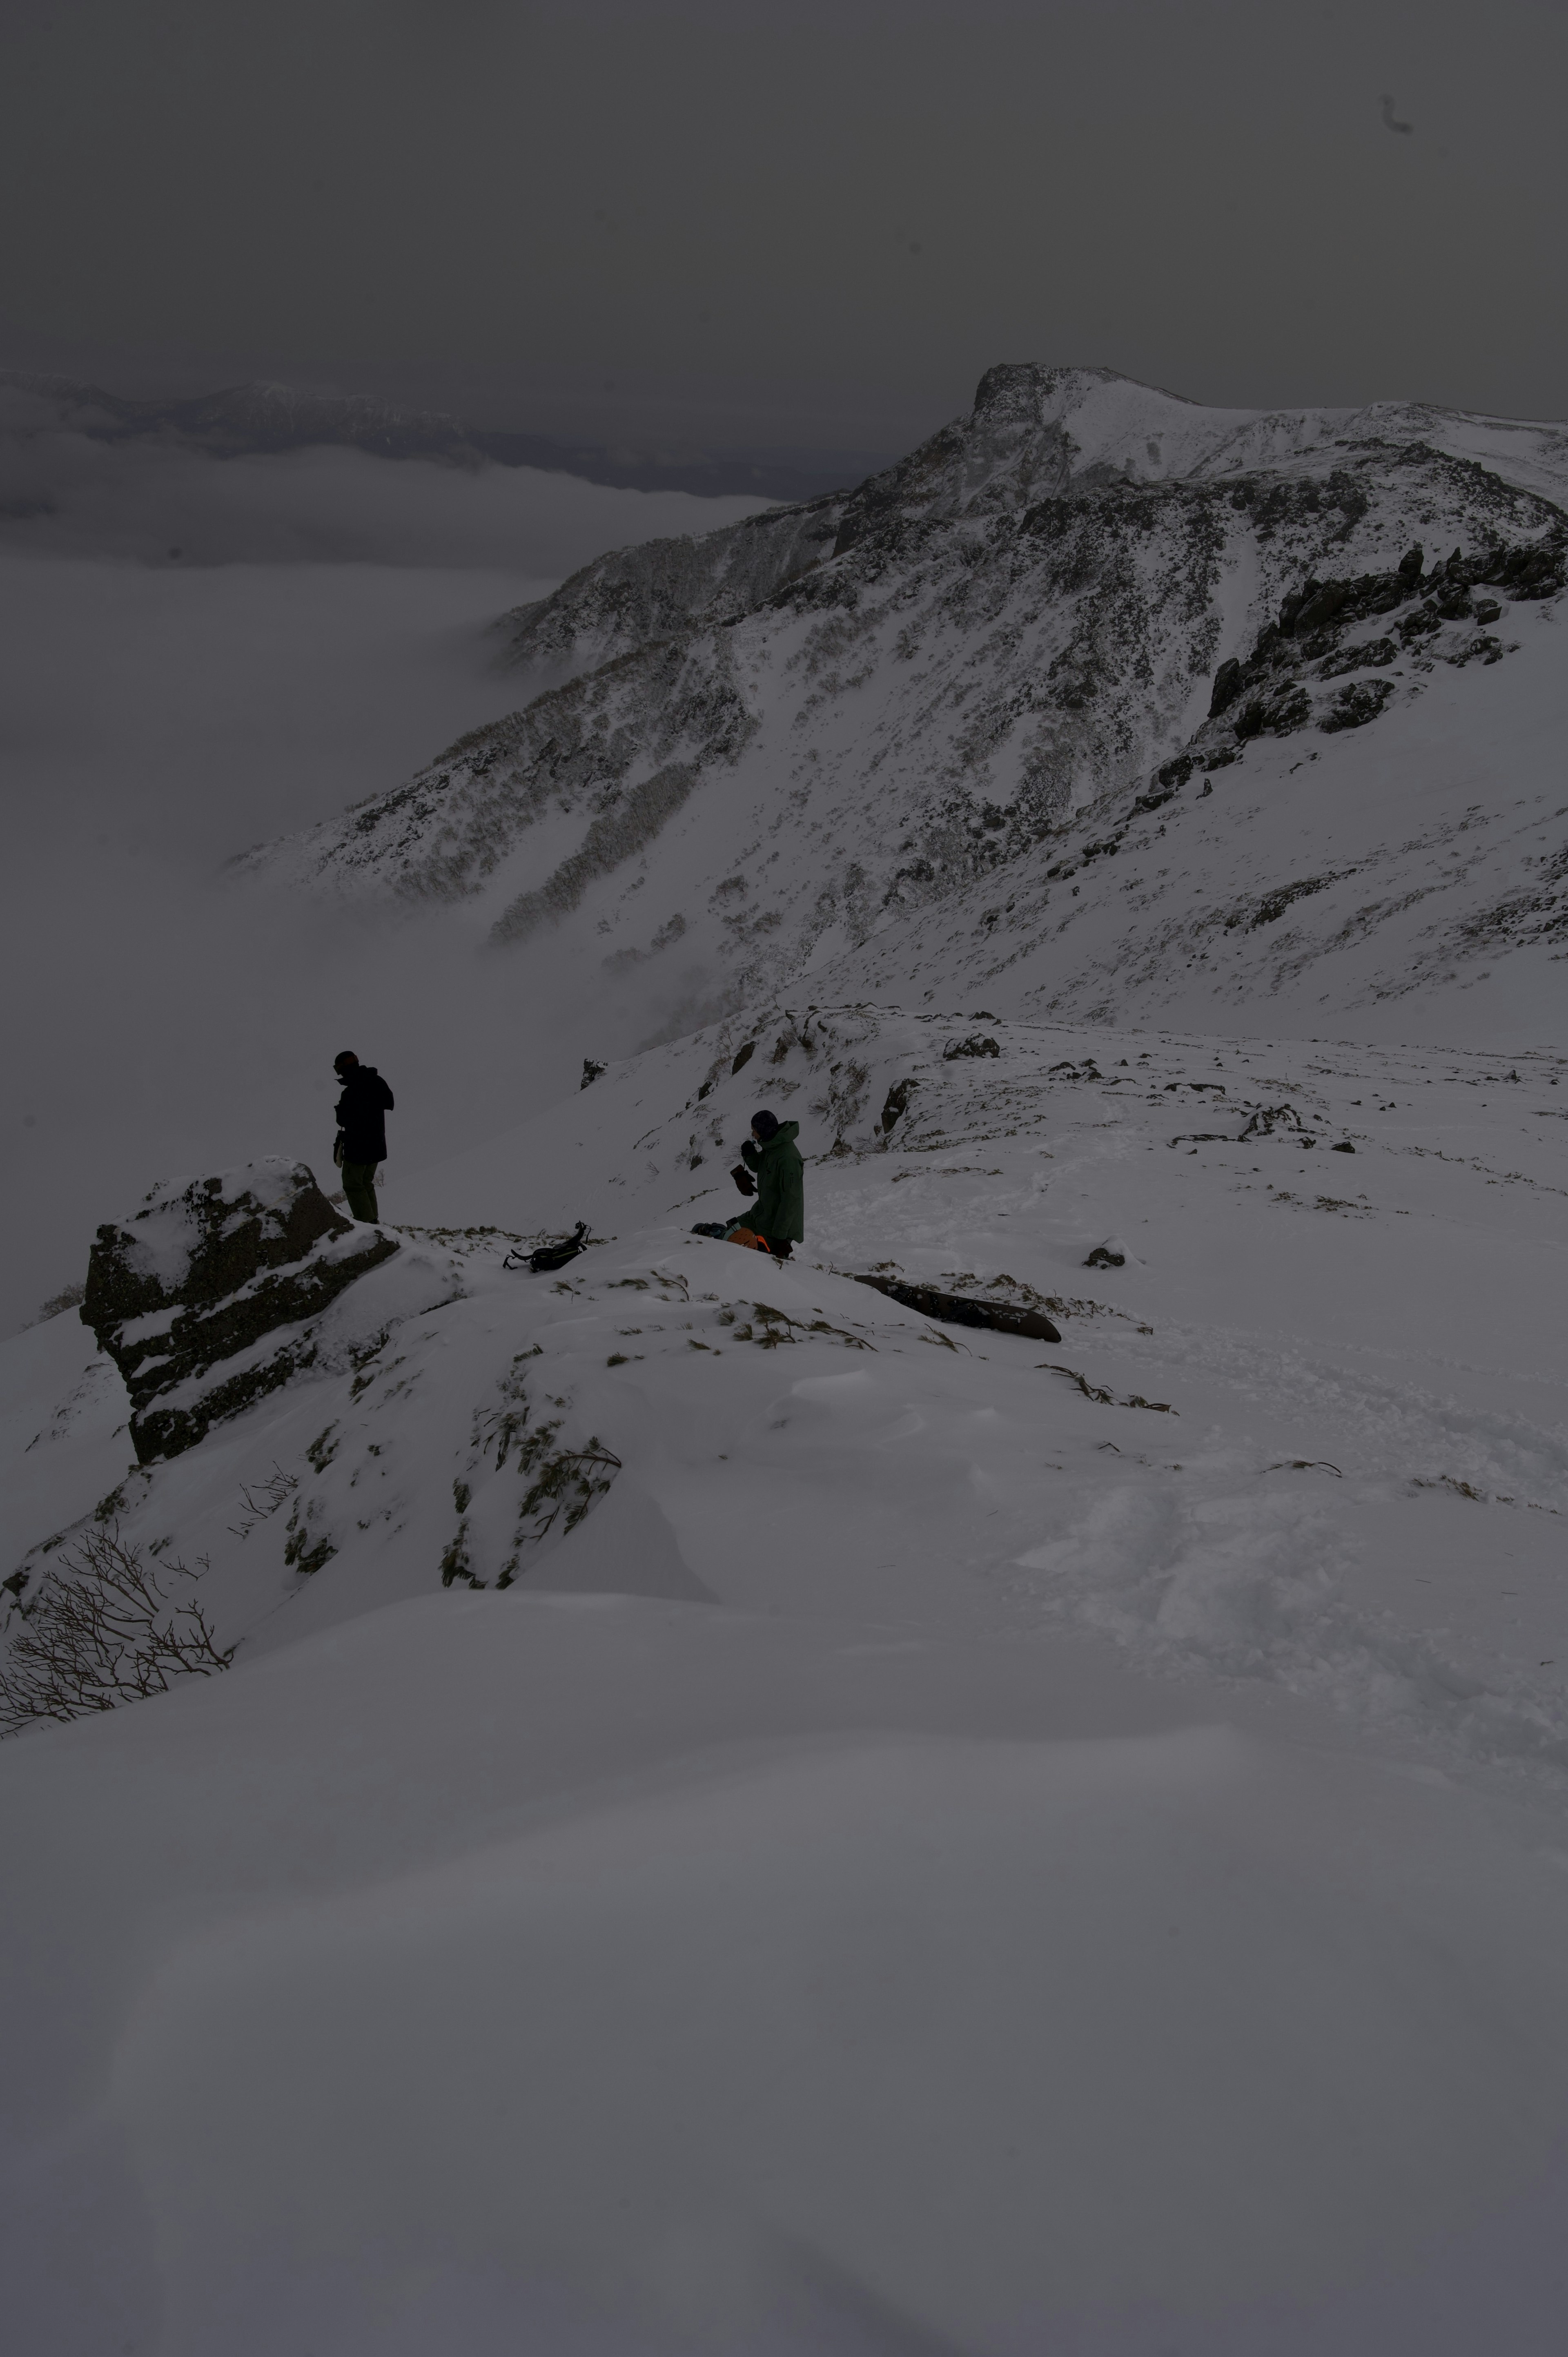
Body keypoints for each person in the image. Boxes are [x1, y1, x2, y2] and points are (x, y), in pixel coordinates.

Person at [332, 1050, 394, 1224]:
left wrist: (340, 1109)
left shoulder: (351, 1091)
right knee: (366, 1182)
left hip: (358, 1146)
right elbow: (389, 1103)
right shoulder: (376, 1081)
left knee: (353, 1184)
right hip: (377, 1144)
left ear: (343, 1068)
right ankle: (373, 1220)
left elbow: (343, 1120)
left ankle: (367, 1223)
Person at [737, 1108, 804, 1259]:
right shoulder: (772, 1145)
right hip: (760, 1215)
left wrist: (780, 1237)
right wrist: (750, 1155)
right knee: (729, 1233)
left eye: (754, 1130)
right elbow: (760, 1166)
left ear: (763, 1131)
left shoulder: (788, 1159)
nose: (753, 1134)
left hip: (775, 1227)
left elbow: (791, 1200)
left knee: (751, 1258)